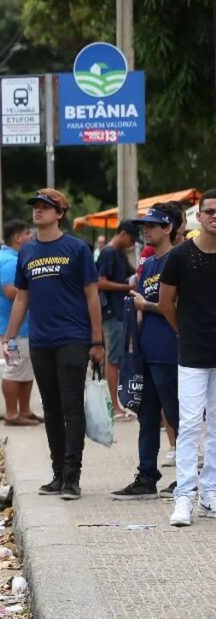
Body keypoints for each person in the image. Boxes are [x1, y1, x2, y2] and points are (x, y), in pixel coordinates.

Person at [3, 188, 105, 500]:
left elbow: (92, 295)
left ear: (59, 213)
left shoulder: (77, 248)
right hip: (41, 341)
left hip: (73, 339)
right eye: (35, 206)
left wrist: (97, 339)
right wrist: (10, 336)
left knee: (71, 406)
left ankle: (72, 478)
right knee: (50, 407)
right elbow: (22, 297)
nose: (38, 211)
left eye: (45, 207)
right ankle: (58, 473)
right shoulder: (27, 251)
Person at [111, 204, 183, 500]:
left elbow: (181, 307)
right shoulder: (150, 263)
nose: (146, 230)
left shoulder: (178, 260)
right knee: (147, 415)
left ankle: (187, 477)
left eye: (152, 225)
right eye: (144, 225)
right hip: (147, 348)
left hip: (171, 349)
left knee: (178, 417)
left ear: (168, 228)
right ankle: (146, 475)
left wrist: (147, 306)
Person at [159, 189, 216, 527]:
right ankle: (184, 496)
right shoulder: (180, 256)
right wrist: (183, 330)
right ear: (199, 214)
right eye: (209, 211)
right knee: (191, 424)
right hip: (192, 351)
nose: (214, 216)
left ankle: (210, 492)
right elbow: (166, 303)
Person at [0, 220, 39, 426]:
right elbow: (11, 291)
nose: (31, 236)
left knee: (25, 369)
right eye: (28, 233)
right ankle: (12, 414)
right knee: (13, 369)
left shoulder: (11, 257)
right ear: (18, 237)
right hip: (14, 330)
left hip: (22, 329)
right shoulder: (10, 261)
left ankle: (25, 410)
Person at [96, 220, 140, 420]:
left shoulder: (120, 254)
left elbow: (133, 274)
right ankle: (114, 405)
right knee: (113, 359)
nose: (132, 244)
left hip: (121, 313)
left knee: (118, 359)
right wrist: (126, 288)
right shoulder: (108, 252)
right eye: (131, 239)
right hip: (111, 313)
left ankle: (118, 403)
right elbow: (100, 282)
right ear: (122, 233)